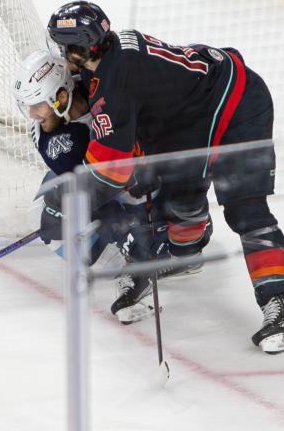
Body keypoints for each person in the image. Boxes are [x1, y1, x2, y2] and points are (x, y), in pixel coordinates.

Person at [46, 0, 284, 354]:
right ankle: (182, 254)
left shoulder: (116, 83)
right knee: (175, 193)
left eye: (65, 48)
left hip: (237, 106)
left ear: (81, 49)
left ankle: (283, 306)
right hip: (192, 118)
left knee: (244, 208)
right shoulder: (110, 63)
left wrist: (70, 199)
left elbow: (111, 174)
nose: (62, 55)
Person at [12, 49, 199, 324]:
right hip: (111, 181)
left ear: (61, 95)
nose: (32, 113)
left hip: (149, 170)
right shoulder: (57, 141)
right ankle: (133, 260)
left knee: (157, 191)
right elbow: (97, 191)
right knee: (49, 212)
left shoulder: (99, 86)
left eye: (37, 104)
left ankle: (177, 238)